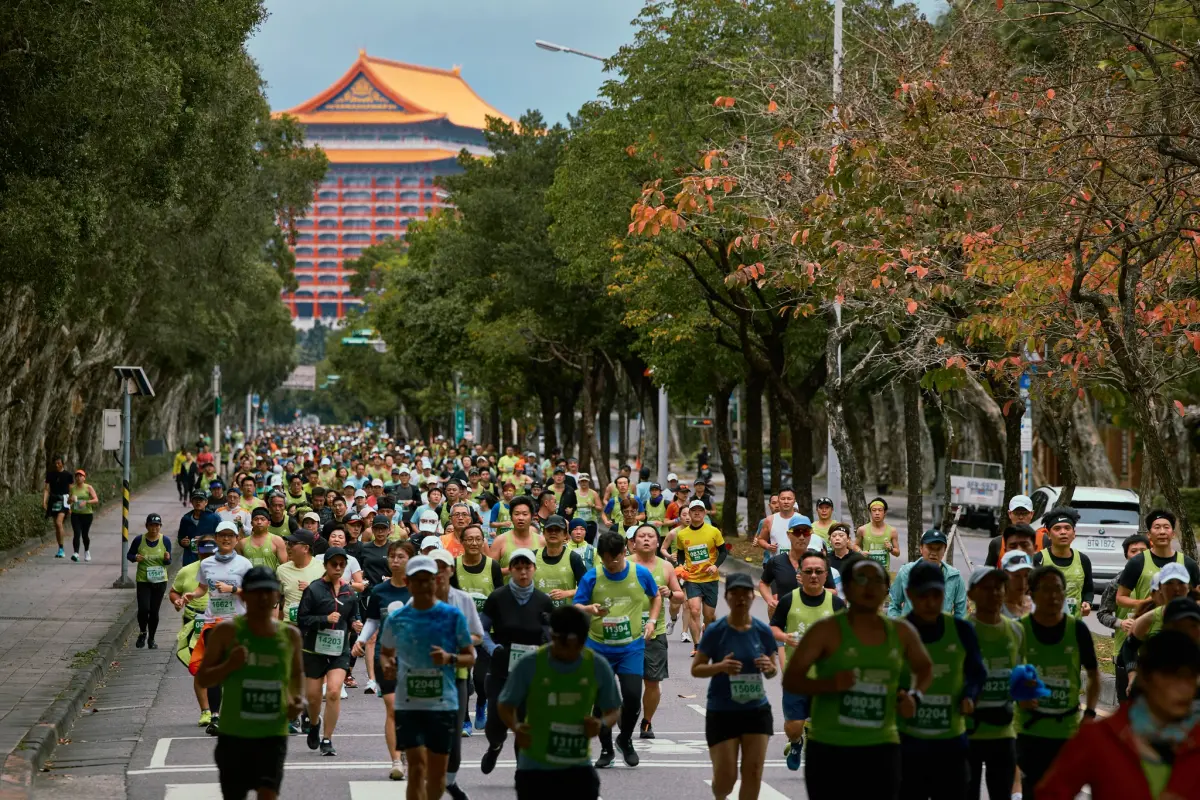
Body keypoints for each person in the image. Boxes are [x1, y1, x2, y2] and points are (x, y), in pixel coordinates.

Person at [782, 554, 933, 800]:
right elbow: (792, 679)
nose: (869, 587)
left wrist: (915, 696)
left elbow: (925, 669)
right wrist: (830, 684)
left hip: (881, 746)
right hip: (830, 746)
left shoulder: (902, 632)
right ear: (848, 589)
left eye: (877, 581)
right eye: (861, 580)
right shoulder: (826, 630)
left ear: (886, 590)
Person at [1034, 630, 1200, 800]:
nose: (1184, 688)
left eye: (1191, 677)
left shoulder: (1196, 738)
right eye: (1171, 676)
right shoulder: (1099, 737)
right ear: (1144, 677)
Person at [195, 566, 304, 800]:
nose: (264, 598)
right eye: (257, 592)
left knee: (268, 793)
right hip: (235, 734)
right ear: (243, 596)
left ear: (278, 597)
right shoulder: (226, 632)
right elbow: (203, 678)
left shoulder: (290, 635)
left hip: (272, 733)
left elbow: (296, 675)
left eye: (269, 592)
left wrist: (297, 699)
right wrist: (229, 666)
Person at [498, 605, 621, 800]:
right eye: (564, 644)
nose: (571, 651)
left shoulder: (597, 665)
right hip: (534, 767)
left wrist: (601, 724)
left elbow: (614, 709)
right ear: (553, 636)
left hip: (577, 766)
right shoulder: (530, 664)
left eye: (578, 644)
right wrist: (516, 727)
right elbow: (505, 704)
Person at [379, 555, 476, 800]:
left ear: (436, 581)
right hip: (408, 703)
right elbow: (386, 652)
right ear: (408, 583)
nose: (423, 586)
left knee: (437, 774)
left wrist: (449, 658)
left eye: (428, 580)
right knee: (416, 769)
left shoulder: (452, 616)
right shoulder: (397, 619)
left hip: (443, 703)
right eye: (418, 581)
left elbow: (470, 656)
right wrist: (387, 664)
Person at [897, 561, 986, 800]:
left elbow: (977, 672)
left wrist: (970, 694)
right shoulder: (896, 632)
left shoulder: (962, 630)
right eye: (923, 595)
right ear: (909, 594)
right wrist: (900, 696)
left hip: (950, 743)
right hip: (907, 743)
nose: (930, 602)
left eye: (936, 594)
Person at [574, 531, 661, 768]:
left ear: (625, 552)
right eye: (605, 559)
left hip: (630, 647)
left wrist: (652, 621)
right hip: (598, 647)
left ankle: (625, 740)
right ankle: (606, 749)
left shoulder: (640, 573)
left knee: (632, 697)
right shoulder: (592, 577)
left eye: (615, 558)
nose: (611, 564)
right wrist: (589, 609)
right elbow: (577, 606)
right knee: (602, 701)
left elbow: (656, 597)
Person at [692, 572, 780, 800]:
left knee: (753, 773)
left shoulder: (762, 631)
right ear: (727, 597)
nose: (741, 598)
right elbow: (696, 668)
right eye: (735, 594)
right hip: (722, 711)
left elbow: (772, 670)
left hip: (756, 711)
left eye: (746, 594)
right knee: (725, 779)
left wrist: (768, 667)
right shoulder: (715, 630)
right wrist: (721, 667)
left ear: (753, 597)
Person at [1014, 566, 1101, 799]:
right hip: (1030, 729)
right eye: (1045, 590)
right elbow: (1006, 674)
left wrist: (1090, 713)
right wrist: (1018, 695)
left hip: (1067, 730)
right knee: (1033, 789)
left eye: (1058, 590)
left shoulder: (1078, 629)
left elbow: (1094, 674)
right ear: (1031, 594)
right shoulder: (1020, 629)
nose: (1053, 596)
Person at [478, 548, 554, 774]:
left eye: (527, 568)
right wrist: (493, 648)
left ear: (534, 569)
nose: (523, 573)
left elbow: (553, 637)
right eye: (518, 568)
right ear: (510, 570)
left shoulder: (543, 601)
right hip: (500, 670)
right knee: (495, 724)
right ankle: (495, 746)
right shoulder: (498, 597)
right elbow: (481, 630)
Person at [769, 550, 844, 769]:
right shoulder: (788, 600)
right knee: (793, 726)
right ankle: (796, 742)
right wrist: (784, 637)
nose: (813, 575)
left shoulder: (837, 604)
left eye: (818, 571)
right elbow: (773, 627)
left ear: (825, 575)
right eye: (808, 571)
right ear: (799, 574)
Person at [182, 520, 254, 736]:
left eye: (230, 536)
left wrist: (232, 588)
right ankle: (215, 716)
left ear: (236, 539)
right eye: (222, 535)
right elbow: (203, 588)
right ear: (216, 538)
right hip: (213, 622)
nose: (226, 539)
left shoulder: (244, 564)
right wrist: (191, 595)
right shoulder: (207, 564)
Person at [426, 547, 486, 800]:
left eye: (444, 568)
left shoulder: (463, 600)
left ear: (451, 570)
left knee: (455, 743)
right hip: (425, 677)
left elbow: (478, 637)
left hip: (457, 675)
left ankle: (448, 781)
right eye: (434, 569)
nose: (439, 573)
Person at [352, 540, 414, 780]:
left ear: (411, 559)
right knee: (392, 707)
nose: (395, 561)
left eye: (401, 556)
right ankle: (396, 760)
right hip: (386, 656)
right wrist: (360, 640)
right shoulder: (379, 591)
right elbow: (373, 621)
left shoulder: (419, 588)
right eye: (392, 556)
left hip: (414, 657)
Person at [966, 566, 1023, 800]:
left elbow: (1022, 676)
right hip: (968, 733)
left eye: (999, 588)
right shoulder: (961, 630)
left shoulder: (1016, 630)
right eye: (986, 588)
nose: (994, 593)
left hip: (1004, 733)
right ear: (971, 595)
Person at [297, 546, 360, 756]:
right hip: (314, 650)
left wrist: (356, 624)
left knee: (333, 692)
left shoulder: (349, 592)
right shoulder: (313, 590)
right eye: (334, 564)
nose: (339, 568)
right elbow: (302, 620)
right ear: (325, 565)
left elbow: (353, 616)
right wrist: (324, 619)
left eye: (343, 564)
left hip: (339, 650)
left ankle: (327, 739)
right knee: (314, 698)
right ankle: (314, 724)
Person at [630, 524, 682, 739]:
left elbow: (681, 596)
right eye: (641, 536)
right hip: (626, 632)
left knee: (652, 682)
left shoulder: (666, 567)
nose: (646, 539)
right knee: (628, 683)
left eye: (650, 536)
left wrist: (670, 593)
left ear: (657, 542)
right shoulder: (624, 564)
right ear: (633, 542)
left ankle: (646, 721)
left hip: (655, 632)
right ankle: (627, 718)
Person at [453, 525, 504, 733]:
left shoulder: (492, 566)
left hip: (485, 633)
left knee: (481, 679)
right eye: (469, 539)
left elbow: (500, 599)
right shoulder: (453, 565)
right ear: (462, 542)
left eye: (478, 539)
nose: (474, 543)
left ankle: (481, 701)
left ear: (484, 541)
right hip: (460, 634)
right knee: (462, 678)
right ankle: (464, 720)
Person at [659, 500, 726, 654]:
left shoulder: (713, 531)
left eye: (700, 510)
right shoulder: (682, 534)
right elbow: (681, 553)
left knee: (708, 616)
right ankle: (697, 646)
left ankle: (706, 631)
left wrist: (715, 565)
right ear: (689, 513)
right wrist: (681, 565)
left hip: (710, 579)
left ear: (704, 513)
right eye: (693, 510)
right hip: (692, 579)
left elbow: (723, 552)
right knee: (694, 610)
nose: (696, 513)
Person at [171, 533, 219, 727]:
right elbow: (174, 591)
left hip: (218, 624)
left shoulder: (225, 570)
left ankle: (218, 709)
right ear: (197, 552)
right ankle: (206, 711)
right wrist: (178, 601)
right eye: (203, 554)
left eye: (210, 554)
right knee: (199, 669)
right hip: (193, 623)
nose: (206, 558)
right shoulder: (187, 571)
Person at [1101, 533, 1151, 702]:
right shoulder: (1117, 582)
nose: (1137, 554)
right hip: (1124, 651)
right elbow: (1102, 613)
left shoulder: (1160, 582)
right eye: (1133, 551)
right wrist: (1120, 622)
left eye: (1142, 551)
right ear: (1126, 556)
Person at [758, 521, 836, 616]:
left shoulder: (822, 562)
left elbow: (833, 592)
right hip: (786, 617)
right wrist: (770, 601)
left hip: (814, 616)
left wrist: (814, 586)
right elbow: (763, 583)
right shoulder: (776, 561)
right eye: (797, 532)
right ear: (788, 534)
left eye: (806, 533)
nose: (801, 537)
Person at [887, 530, 968, 618]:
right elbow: (894, 604)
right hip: (910, 629)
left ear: (944, 550)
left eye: (938, 549)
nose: (933, 553)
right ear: (921, 548)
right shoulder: (906, 571)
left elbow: (960, 612)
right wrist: (898, 627)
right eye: (930, 548)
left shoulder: (954, 577)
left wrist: (954, 630)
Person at [1031, 507, 1094, 618]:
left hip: (1073, 626)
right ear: (1049, 535)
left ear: (1074, 533)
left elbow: (1088, 589)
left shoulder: (1083, 560)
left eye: (1067, 528)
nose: (1063, 532)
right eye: (1057, 528)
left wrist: (1087, 603)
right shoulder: (1039, 559)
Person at [128, 513, 173, 649]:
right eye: (152, 525)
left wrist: (166, 558)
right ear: (147, 526)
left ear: (160, 526)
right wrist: (135, 557)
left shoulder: (165, 540)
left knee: (154, 611)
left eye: (157, 525)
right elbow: (129, 555)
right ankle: (143, 632)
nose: (154, 528)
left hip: (160, 580)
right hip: (143, 579)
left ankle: (151, 639)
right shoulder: (138, 540)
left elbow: (168, 561)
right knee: (143, 609)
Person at [532, 514, 588, 608]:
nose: (553, 533)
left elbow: (587, 588)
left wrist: (567, 593)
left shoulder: (574, 558)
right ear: (544, 533)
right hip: (538, 616)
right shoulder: (533, 556)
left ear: (565, 535)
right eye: (550, 529)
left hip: (565, 616)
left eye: (557, 530)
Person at [489, 496, 543, 578]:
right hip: (508, 589)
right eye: (516, 514)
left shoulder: (542, 541)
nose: (520, 518)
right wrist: (511, 570)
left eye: (525, 514)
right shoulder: (499, 541)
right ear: (511, 517)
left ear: (531, 517)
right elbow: (489, 570)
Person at [856, 497, 900, 572]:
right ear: (870, 512)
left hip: (883, 572)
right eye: (874, 510)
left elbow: (897, 553)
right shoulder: (862, 530)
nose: (877, 513)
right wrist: (860, 552)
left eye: (880, 510)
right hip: (866, 570)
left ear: (885, 512)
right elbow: (855, 545)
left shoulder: (892, 531)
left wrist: (891, 549)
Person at [179, 490, 220, 568]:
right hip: (190, 557)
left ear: (206, 502)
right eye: (195, 500)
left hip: (208, 555)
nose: (198, 502)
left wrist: (204, 538)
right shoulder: (186, 519)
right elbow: (180, 537)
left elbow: (220, 537)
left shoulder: (214, 518)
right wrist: (183, 542)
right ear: (191, 502)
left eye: (201, 500)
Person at [43, 455, 73, 558]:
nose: (57, 465)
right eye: (55, 463)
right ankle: (60, 548)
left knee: (58, 522)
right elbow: (46, 489)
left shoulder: (68, 475)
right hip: (53, 500)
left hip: (64, 500)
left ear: (62, 463)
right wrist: (44, 501)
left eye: (59, 463)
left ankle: (61, 548)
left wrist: (70, 505)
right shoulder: (50, 475)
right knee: (56, 526)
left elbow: (71, 491)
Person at [67, 469, 98, 562]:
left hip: (87, 514)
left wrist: (86, 502)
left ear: (84, 478)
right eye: (77, 476)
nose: (79, 477)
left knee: (85, 534)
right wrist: (71, 500)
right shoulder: (73, 488)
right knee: (76, 533)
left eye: (81, 476)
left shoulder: (88, 487)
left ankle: (86, 551)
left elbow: (96, 499)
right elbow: (68, 501)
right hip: (75, 514)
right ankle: (76, 553)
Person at [1000, 550, 1034, 619]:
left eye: (1026, 575)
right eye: (1016, 576)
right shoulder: (996, 610)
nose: (1023, 582)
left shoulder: (1036, 604)